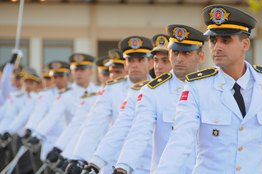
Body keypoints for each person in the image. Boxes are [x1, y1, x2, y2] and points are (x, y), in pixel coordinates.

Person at [155, 4, 262, 174]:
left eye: (226, 40)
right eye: (213, 41)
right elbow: (180, 141)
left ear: (245, 44)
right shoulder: (197, 87)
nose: (217, 47)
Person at [114, 25, 206, 174]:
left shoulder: (213, 88)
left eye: (186, 53)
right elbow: (139, 132)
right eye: (175, 52)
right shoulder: (153, 91)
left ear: (201, 57)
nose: (179, 59)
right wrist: (123, 167)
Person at [81, 33, 172, 174]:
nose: (159, 66)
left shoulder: (194, 89)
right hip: (128, 164)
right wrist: (94, 162)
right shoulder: (143, 92)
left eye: (165, 61)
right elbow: (122, 128)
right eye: (156, 60)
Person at [63, 36, 153, 174]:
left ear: (151, 63)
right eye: (130, 60)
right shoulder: (112, 89)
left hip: (150, 164)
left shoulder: (160, 89)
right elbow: (95, 123)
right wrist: (79, 158)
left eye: (140, 60)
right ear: (125, 64)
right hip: (114, 163)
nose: (135, 65)